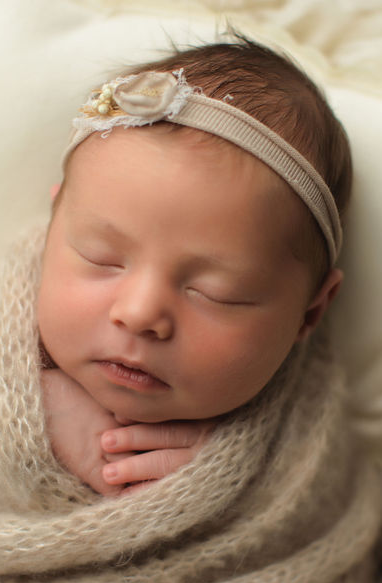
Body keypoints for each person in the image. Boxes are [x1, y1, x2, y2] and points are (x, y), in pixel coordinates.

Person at [36, 37, 352, 496]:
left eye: (214, 292)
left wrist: (234, 475)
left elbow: (326, 516)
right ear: (51, 231)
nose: (141, 314)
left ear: (310, 313)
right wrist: (26, 415)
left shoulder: (304, 434)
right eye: (100, 258)